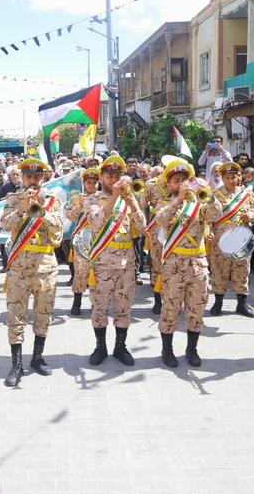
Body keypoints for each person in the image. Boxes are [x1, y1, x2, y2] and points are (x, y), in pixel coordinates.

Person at [0, 159, 63, 386]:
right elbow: (5, 225)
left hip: (45, 267)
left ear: (43, 178)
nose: (33, 181)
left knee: (43, 313)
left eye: (37, 177)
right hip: (19, 267)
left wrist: (42, 209)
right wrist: (21, 208)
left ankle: (37, 357)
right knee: (16, 315)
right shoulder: (14, 199)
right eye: (29, 177)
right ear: (22, 178)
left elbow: (59, 226)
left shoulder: (53, 200)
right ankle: (16, 364)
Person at [154, 158, 221, 368]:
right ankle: (167, 349)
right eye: (176, 180)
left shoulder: (199, 203)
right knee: (171, 309)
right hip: (174, 265)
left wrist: (209, 196)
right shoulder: (165, 203)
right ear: (169, 184)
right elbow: (161, 221)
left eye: (184, 179)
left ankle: (192, 350)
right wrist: (178, 200)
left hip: (198, 263)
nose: (181, 183)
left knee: (196, 309)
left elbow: (216, 215)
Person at [83, 156, 146, 366]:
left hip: (126, 265)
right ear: (101, 178)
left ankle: (120, 347)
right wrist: (115, 198)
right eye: (110, 176)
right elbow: (97, 221)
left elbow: (143, 226)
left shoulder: (128, 199)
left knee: (123, 308)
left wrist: (132, 203)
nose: (114, 180)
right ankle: (100, 347)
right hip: (102, 265)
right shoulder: (91, 200)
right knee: (99, 308)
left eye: (117, 176)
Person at [208, 162, 254, 317]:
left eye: (234, 177)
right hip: (220, 241)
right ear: (222, 178)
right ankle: (218, 303)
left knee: (242, 271)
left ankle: (242, 304)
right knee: (219, 271)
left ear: (239, 177)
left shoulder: (247, 195)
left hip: (241, 240)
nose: (231, 180)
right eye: (227, 177)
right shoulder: (215, 195)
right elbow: (207, 216)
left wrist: (249, 215)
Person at [64, 168, 99, 315]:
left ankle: (95, 303)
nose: (91, 185)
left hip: (98, 238)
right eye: (88, 182)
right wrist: (80, 205)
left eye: (94, 182)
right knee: (80, 272)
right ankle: (76, 301)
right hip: (81, 240)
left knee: (97, 272)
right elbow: (70, 216)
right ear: (83, 183)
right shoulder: (76, 198)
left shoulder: (103, 198)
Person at [143, 167, 172, 315]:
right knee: (156, 261)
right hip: (156, 223)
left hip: (175, 224)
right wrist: (143, 224)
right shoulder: (151, 184)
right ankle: (157, 299)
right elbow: (143, 204)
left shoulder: (179, 183)